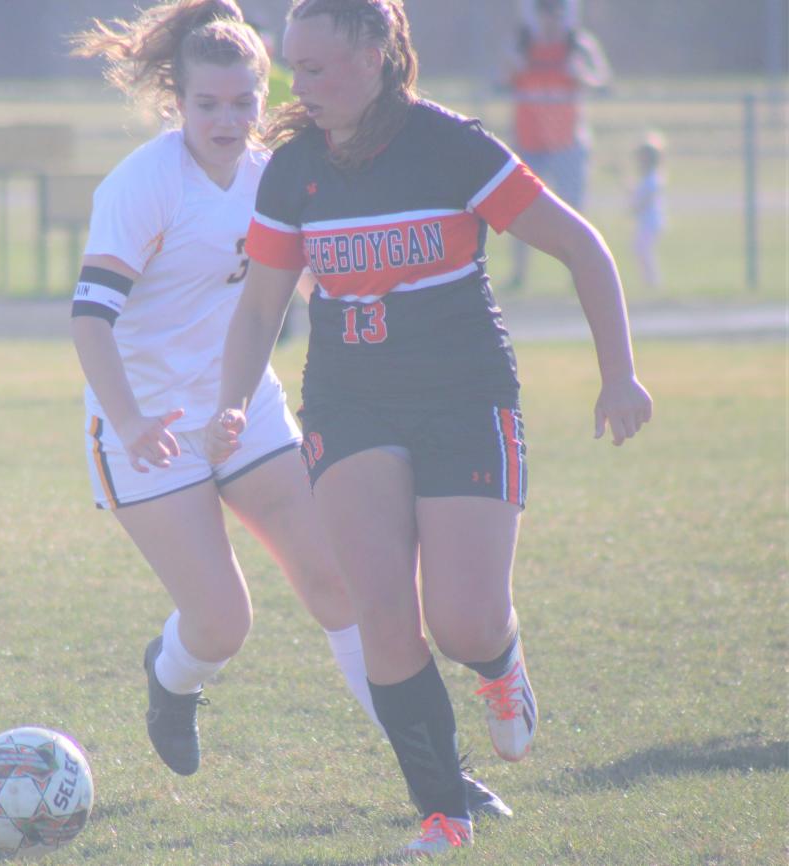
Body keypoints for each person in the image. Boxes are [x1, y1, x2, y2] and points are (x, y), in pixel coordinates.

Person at [204, 0, 652, 857]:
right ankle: (444, 814)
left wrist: (619, 373)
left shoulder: (452, 146)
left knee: (464, 622)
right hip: (351, 400)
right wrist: (232, 400)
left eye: (322, 66)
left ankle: (499, 663)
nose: (304, 85)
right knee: (381, 611)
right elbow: (261, 301)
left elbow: (584, 248)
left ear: (378, 54)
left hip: (463, 396)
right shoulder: (292, 170)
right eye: (295, 66)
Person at [68, 0, 510, 821]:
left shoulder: (276, 172)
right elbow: (89, 318)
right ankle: (170, 679)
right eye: (209, 104)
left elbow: (308, 281)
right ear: (177, 100)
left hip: (243, 410)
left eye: (245, 100)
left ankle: (442, 782)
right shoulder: (141, 185)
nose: (230, 119)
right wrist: (128, 423)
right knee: (221, 624)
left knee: (341, 584)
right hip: (144, 428)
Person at [504, 0, 611, 290]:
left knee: (574, 212)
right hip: (530, 141)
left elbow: (603, 82)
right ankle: (519, 274)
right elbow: (501, 80)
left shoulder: (578, 45)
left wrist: (582, 75)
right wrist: (512, 67)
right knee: (519, 210)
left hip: (567, 143)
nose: (551, 21)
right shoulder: (522, 44)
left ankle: (579, 275)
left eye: (556, 15)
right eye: (545, 15)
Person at [632, 131, 666, 289]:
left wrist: (636, 207)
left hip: (651, 222)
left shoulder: (654, 178)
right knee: (640, 250)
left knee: (643, 250)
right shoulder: (646, 178)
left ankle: (653, 282)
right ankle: (649, 281)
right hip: (646, 222)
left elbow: (644, 199)